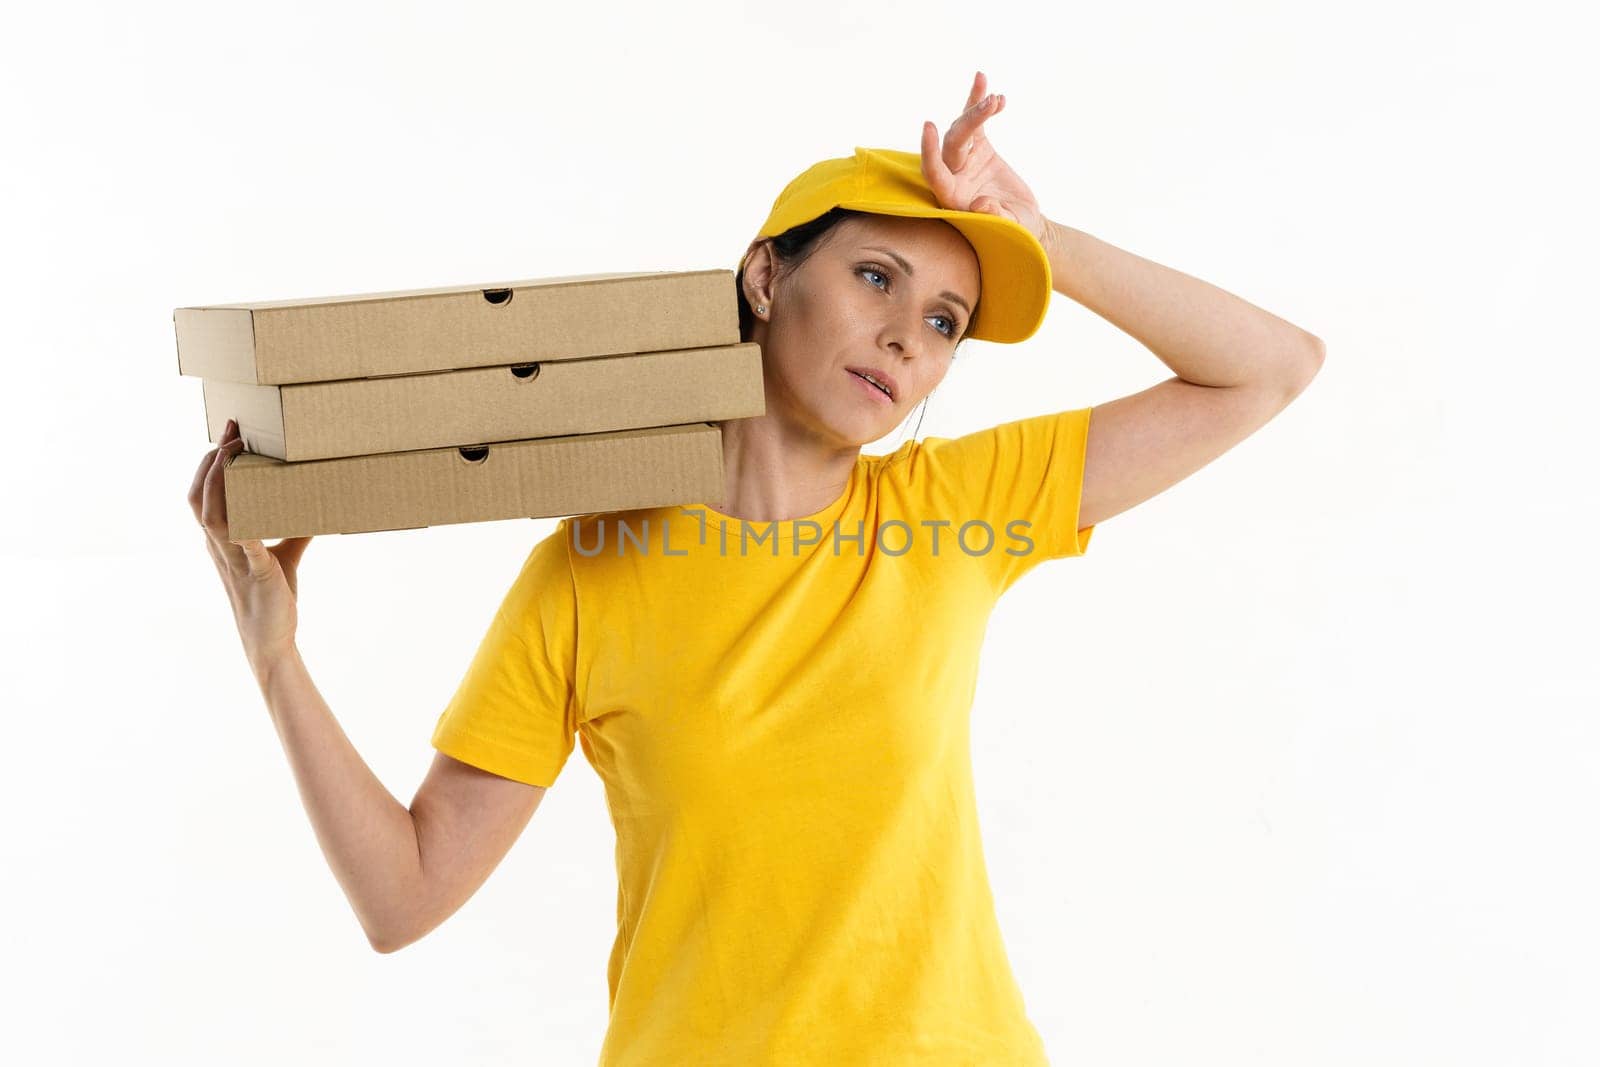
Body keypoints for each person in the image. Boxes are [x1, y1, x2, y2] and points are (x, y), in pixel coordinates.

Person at [189, 71, 1324, 1066]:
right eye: (877, 279)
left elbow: (1268, 369)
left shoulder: (955, 510)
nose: (906, 339)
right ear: (765, 277)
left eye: (944, 321)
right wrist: (275, 654)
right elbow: (405, 894)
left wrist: (1036, 233)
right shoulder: (589, 569)